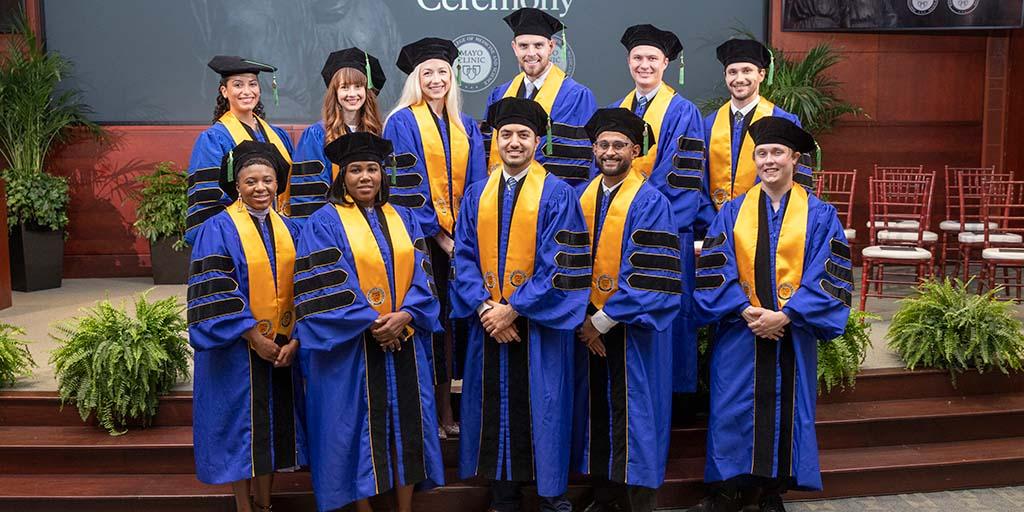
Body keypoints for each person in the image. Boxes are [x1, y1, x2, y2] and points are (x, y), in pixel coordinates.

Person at [689, 117, 852, 512]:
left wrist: (788, 315)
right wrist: (744, 308)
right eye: (761, 153)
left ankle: (770, 493)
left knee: (786, 409)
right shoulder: (732, 212)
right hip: (740, 331)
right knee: (732, 407)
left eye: (777, 152)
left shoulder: (819, 215)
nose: (769, 160)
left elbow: (828, 272)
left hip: (791, 335)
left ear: (794, 158)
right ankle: (728, 490)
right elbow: (715, 267)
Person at [450, 97, 591, 512]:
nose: (514, 142)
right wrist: (485, 309)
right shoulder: (477, 194)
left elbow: (560, 264)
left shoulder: (558, 194)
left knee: (545, 408)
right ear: (495, 141)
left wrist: (512, 309)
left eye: (523, 135)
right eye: (507, 134)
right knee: (495, 406)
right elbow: (463, 257)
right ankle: (503, 496)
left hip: (538, 326)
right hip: (490, 325)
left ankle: (551, 499)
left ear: (537, 142)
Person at [293, 132, 445, 512]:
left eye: (372, 169)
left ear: (382, 174)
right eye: (356, 170)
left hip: (404, 341)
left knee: (407, 426)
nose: (365, 177)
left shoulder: (404, 217)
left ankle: (405, 507)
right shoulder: (323, 223)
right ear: (342, 176)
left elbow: (424, 275)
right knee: (354, 428)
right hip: (353, 348)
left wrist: (406, 315)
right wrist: (375, 324)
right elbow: (324, 284)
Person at [572, 108, 681, 512]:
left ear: (635, 151)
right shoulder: (581, 197)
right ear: (593, 149)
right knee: (596, 411)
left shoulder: (652, 202)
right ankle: (605, 496)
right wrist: (583, 321)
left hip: (634, 332)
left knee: (637, 415)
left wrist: (600, 322)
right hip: (586, 327)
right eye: (603, 144)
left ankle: (638, 502)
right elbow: (563, 263)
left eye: (619, 145)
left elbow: (651, 275)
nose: (610, 152)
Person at [187, 140, 305, 512]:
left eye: (267, 180)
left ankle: (265, 504)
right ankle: (243, 505)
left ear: (278, 184)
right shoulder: (217, 229)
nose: (260, 188)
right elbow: (216, 289)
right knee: (241, 430)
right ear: (237, 185)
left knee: (272, 430)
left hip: (283, 348)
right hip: (236, 350)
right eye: (251, 181)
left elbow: (307, 288)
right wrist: (254, 335)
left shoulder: (291, 229)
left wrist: (296, 339)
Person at [383, 36, 488, 440]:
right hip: (422, 243)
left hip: (461, 243)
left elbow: (476, 186)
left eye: (442, 71)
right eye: (427, 72)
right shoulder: (402, 122)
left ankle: (450, 411)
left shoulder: (466, 125)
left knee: (453, 324)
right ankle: (431, 414)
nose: (436, 79)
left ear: (452, 76)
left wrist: (467, 236)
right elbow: (406, 189)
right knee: (430, 323)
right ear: (416, 78)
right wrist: (441, 237)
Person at [614, 23, 716, 400]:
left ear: (666, 63)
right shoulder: (618, 109)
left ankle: (669, 399)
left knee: (664, 312)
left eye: (652, 58)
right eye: (638, 57)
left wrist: (641, 214)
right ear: (629, 62)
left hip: (665, 234)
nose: (644, 65)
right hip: (621, 232)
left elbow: (682, 176)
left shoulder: (682, 111)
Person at [483, 7, 597, 190]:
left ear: (551, 47)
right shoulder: (499, 94)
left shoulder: (577, 96)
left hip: (552, 199)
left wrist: (556, 199)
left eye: (538, 45)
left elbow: (580, 161)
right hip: (502, 195)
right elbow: (487, 152)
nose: (531, 53)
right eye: (523, 46)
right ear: (514, 47)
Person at [186, 56, 294, 245]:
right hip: (237, 237)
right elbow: (209, 197)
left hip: (282, 232)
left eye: (252, 84)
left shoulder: (279, 136)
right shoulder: (213, 139)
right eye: (238, 85)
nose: (247, 91)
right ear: (224, 91)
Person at [703, 40, 813, 212]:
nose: (739, 79)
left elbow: (798, 182)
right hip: (713, 223)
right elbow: (698, 180)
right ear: (725, 76)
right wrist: (712, 221)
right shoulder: (708, 124)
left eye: (747, 71)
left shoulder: (784, 121)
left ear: (761, 74)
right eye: (732, 72)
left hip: (767, 220)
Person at [289, 48, 387, 224]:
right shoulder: (317, 135)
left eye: (358, 87)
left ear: (367, 91)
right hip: (333, 228)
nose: (352, 94)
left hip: (374, 226)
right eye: (344, 87)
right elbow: (309, 195)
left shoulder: (376, 133)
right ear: (334, 92)